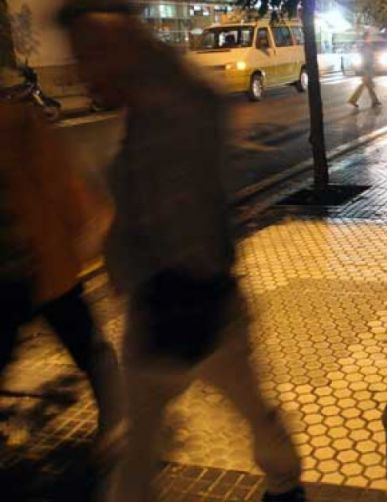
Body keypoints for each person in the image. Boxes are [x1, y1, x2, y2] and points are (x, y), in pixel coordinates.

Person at [57, 2, 304, 502]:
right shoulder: (148, 102)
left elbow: (189, 215)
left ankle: (285, 482)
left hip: (197, 305)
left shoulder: (178, 105)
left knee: (244, 408)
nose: (82, 71)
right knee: (146, 442)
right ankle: (284, 480)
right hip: (163, 305)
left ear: (122, 42)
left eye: (90, 55)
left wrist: (180, 297)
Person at [0, 102, 124, 451]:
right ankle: (117, 419)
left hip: (39, 265)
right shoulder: (19, 119)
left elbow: (62, 183)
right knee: (87, 345)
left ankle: (117, 419)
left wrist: (90, 236)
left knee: (87, 345)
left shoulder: (20, 122)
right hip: (29, 269)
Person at [348, 31, 381, 108]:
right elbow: (366, 59)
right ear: (366, 38)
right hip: (366, 69)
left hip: (368, 69)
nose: (371, 38)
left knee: (369, 86)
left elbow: (370, 57)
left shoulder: (368, 46)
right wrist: (367, 69)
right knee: (366, 85)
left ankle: (375, 101)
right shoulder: (365, 47)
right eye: (369, 37)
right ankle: (353, 100)